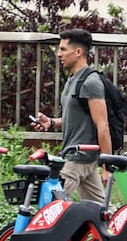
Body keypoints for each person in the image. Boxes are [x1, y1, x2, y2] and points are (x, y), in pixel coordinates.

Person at [31, 28, 110, 202]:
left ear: (78, 52)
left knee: (50, 206)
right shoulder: (72, 80)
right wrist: (51, 122)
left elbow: (102, 125)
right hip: (80, 158)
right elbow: (77, 119)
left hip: (77, 159)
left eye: (63, 49)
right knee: (101, 212)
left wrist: (107, 166)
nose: (59, 54)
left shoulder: (90, 82)